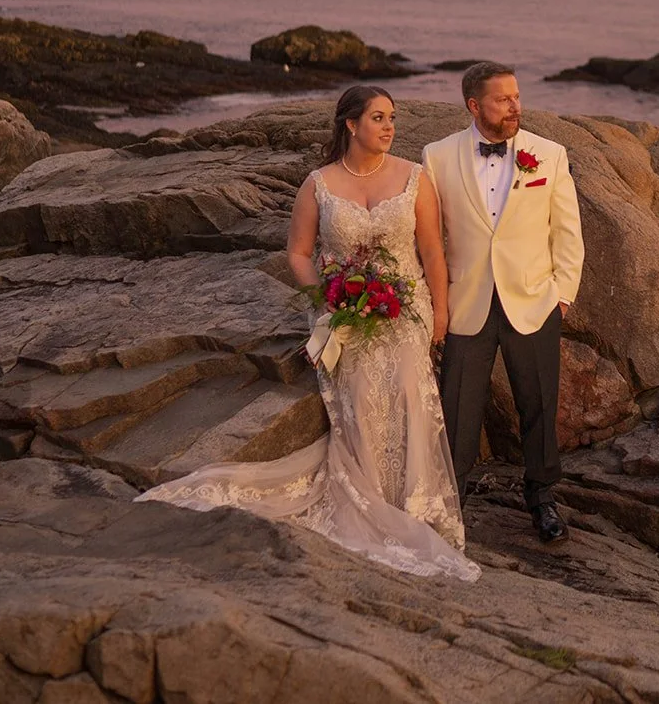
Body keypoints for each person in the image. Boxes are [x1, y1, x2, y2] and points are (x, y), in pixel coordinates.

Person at [137, 85, 479, 581]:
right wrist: (328, 296)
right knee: (360, 389)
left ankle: (414, 507)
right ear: (351, 124)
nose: (389, 128)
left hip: (407, 308)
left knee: (406, 377)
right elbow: (298, 253)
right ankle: (369, 501)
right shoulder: (318, 184)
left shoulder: (415, 179)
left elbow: (431, 254)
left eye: (392, 119)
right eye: (379, 118)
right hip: (342, 313)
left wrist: (440, 316)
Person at [422, 62, 584, 543]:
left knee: (538, 405)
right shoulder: (437, 156)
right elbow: (430, 238)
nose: (515, 106)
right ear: (474, 105)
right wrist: (437, 303)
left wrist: (563, 295)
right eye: (503, 99)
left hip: (534, 301)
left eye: (516, 96)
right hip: (465, 301)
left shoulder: (548, 154)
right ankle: (453, 500)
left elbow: (568, 231)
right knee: (457, 409)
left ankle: (542, 499)